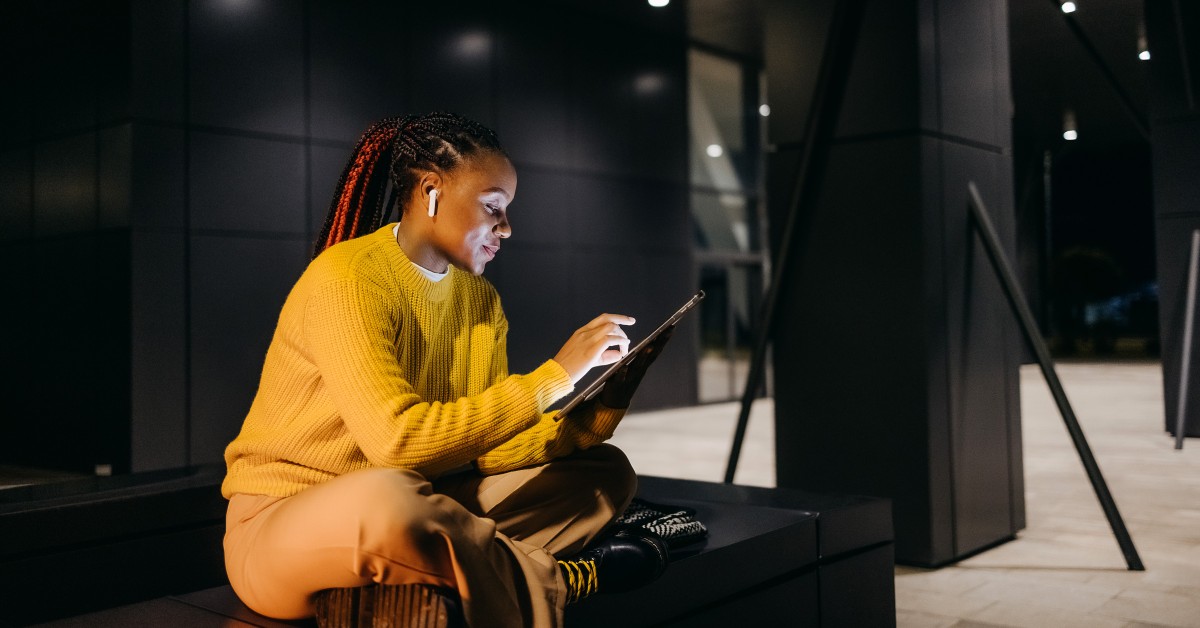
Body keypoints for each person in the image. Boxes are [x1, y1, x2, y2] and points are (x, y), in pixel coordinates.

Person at [220, 112, 671, 628]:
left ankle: (456, 565)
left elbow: (486, 449)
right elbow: (398, 443)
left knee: (603, 474)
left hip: (426, 497)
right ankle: (561, 579)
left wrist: (600, 404)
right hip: (285, 523)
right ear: (431, 190)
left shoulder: (479, 300)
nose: (506, 227)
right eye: (493, 206)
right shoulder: (346, 279)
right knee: (390, 499)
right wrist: (554, 375)